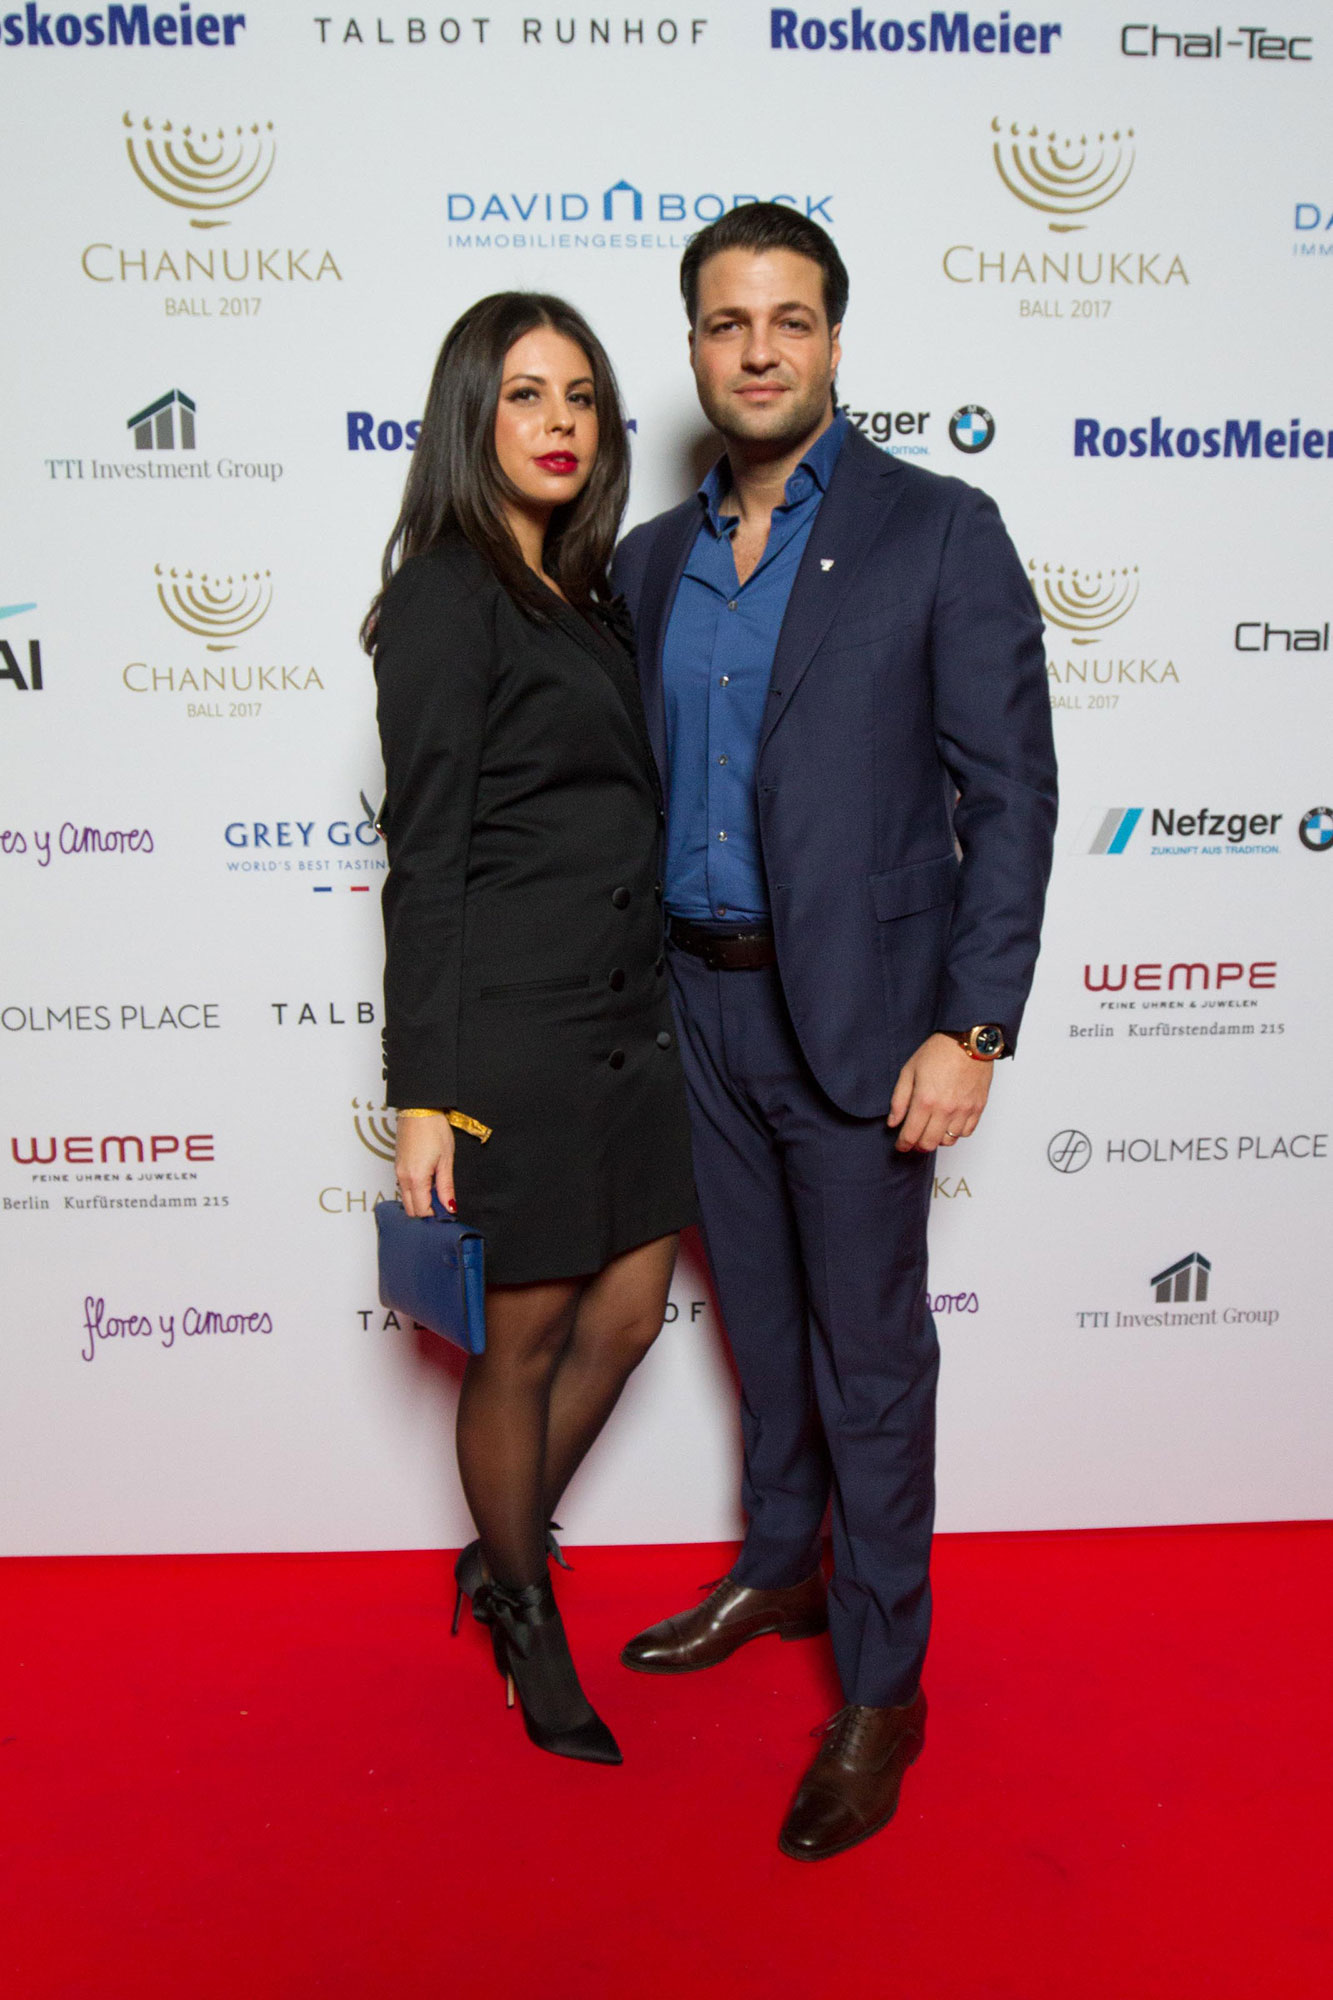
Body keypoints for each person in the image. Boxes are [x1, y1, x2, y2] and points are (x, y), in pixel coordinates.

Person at [612, 207, 1057, 1857]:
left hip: (867, 1029)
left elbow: (1009, 798)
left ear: (833, 341)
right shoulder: (646, 562)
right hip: (694, 1012)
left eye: (788, 320)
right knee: (761, 1332)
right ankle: (778, 1570)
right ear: (693, 346)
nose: (757, 350)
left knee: (868, 1362)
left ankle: (880, 1688)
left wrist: (972, 1028)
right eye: (727, 323)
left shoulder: (936, 530)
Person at [366, 291, 696, 1767]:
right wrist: (424, 1092)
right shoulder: (448, 593)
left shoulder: (583, 589)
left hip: (629, 1014)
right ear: (470, 416)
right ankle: (523, 1601)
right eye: (523, 395)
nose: (558, 423)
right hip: (512, 1031)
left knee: (624, 1316)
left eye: (578, 397)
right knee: (525, 1338)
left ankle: (497, 1550)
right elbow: (425, 856)